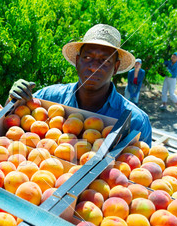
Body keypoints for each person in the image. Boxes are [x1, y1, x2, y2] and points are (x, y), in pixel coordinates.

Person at [9, 24, 152, 146]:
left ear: (115, 67)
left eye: (105, 60)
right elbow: (5, 126)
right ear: (77, 61)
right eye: (87, 57)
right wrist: (12, 102)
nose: (94, 67)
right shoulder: (49, 97)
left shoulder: (136, 122)